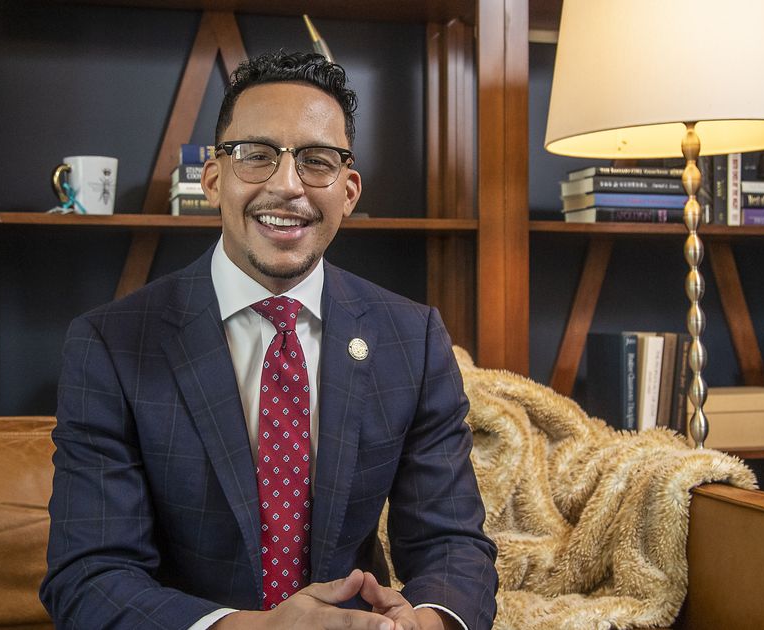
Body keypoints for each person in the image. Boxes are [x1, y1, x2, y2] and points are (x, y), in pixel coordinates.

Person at [40, 51, 498, 630]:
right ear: (212, 179)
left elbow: (452, 541)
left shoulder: (414, 338)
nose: (288, 186)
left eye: (317, 161)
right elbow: (89, 577)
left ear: (349, 191)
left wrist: (422, 624)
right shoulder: (110, 344)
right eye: (256, 156)